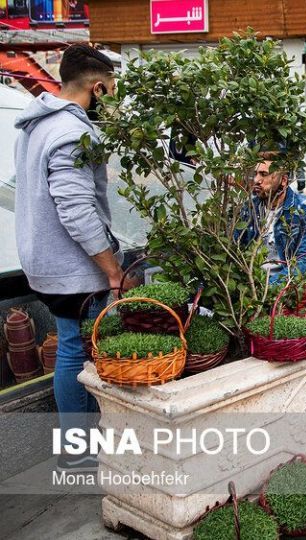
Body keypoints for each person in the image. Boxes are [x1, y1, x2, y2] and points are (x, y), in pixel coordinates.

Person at [14, 44, 122, 471]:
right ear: (97, 88)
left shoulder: (36, 124)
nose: (111, 99)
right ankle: (77, 452)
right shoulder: (74, 132)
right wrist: (111, 270)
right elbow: (76, 210)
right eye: (110, 90)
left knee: (70, 348)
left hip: (44, 262)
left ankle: (80, 445)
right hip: (73, 268)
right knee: (77, 352)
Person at [241, 157, 306, 283]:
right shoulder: (249, 209)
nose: (256, 180)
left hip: (291, 286)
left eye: (264, 174)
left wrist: (266, 288)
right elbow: (236, 249)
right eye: (256, 174)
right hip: (253, 282)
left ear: (284, 180)